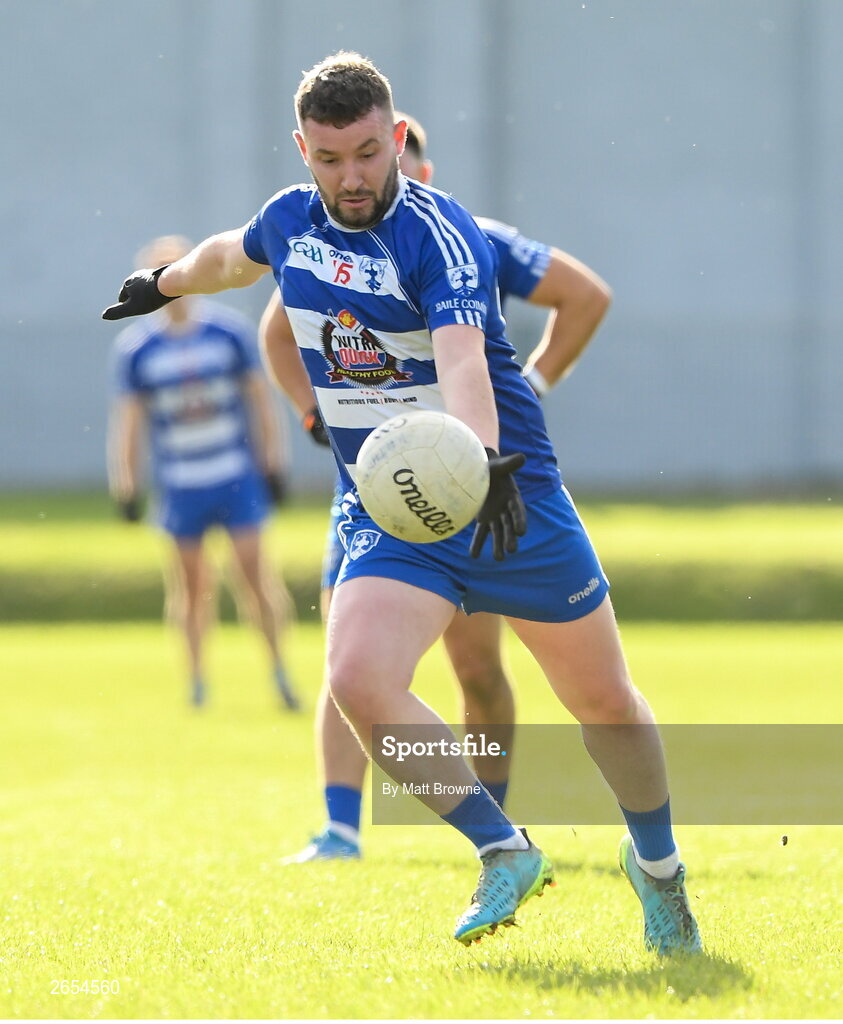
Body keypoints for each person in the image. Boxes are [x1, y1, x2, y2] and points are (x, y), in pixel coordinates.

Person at [102, 53, 701, 955]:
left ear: (395, 138)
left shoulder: (441, 233)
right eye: (333, 158)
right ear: (303, 149)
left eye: (371, 153)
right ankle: (501, 848)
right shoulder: (288, 221)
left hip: (506, 495)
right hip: (392, 508)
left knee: (604, 703)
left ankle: (659, 872)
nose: (354, 177)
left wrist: (486, 460)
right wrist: (168, 283)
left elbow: (462, 358)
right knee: (358, 682)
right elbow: (231, 257)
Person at [258, 111, 613, 862]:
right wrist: (310, 412)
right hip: (374, 486)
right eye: (338, 162)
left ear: (415, 169)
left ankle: (495, 825)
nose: (363, 181)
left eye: (393, 163)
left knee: (477, 668)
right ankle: (340, 828)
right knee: (352, 656)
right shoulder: (322, 243)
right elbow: (273, 331)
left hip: (475, 482)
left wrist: (533, 388)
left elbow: (585, 295)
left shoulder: (468, 237)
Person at [107, 235, 300, 711]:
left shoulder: (227, 333)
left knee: (256, 578)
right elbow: (128, 422)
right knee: (191, 588)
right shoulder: (138, 349)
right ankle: (197, 683)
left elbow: (261, 401)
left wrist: (274, 466)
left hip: (234, 475)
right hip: (180, 482)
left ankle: (280, 674)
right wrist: (126, 486)